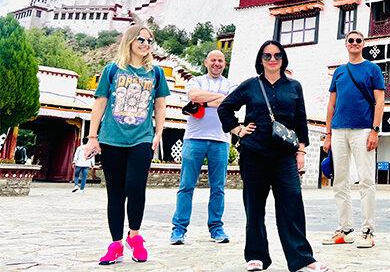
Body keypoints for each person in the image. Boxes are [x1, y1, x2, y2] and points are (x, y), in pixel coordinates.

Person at [217, 40, 331, 272]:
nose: (272, 60)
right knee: (255, 206)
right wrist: (238, 130)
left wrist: (301, 150)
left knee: (292, 204)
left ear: (283, 59)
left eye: (277, 56)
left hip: (284, 157)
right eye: (267, 56)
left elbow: (301, 120)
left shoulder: (294, 86)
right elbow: (225, 108)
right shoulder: (250, 85)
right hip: (254, 154)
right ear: (261, 59)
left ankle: (302, 258)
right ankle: (256, 256)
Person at [84, 25, 170, 265]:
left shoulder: (156, 73)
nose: (145, 44)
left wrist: (158, 133)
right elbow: (100, 103)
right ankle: (115, 244)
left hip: (142, 138)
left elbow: (160, 105)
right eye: (140, 39)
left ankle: (135, 235)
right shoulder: (112, 70)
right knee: (116, 193)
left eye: (149, 41)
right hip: (112, 138)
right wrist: (93, 137)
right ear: (130, 41)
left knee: (135, 187)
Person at [321, 30, 385, 248]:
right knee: (340, 181)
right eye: (351, 40)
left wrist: (375, 130)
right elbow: (331, 104)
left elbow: (380, 101)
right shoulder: (339, 72)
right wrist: (328, 134)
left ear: (363, 44)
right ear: (346, 44)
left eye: (358, 40)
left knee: (366, 180)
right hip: (338, 130)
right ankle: (345, 229)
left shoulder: (373, 69)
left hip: (363, 131)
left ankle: (367, 231)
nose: (354, 43)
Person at [170, 50, 235, 245]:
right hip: (194, 138)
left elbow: (231, 102)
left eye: (220, 60)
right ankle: (179, 229)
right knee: (186, 186)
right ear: (206, 62)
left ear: (225, 63)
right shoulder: (195, 80)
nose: (216, 63)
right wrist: (218, 99)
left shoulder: (230, 84)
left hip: (221, 139)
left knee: (218, 188)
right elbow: (194, 95)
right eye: (213, 60)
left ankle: (216, 228)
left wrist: (205, 100)